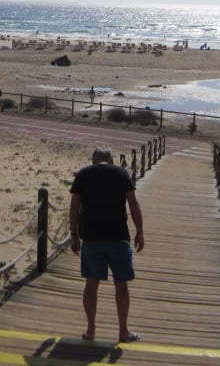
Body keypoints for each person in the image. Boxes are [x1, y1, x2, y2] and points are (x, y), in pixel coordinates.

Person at [69, 146, 144, 343]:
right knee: (121, 286)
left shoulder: (84, 174)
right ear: (110, 160)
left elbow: (74, 205)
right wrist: (140, 232)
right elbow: (133, 203)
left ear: (93, 160)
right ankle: (123, 331)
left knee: (91, 286)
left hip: (92, 238)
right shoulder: (120, 173)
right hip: (118, 236)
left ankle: (91, 329)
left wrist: (74, 235)